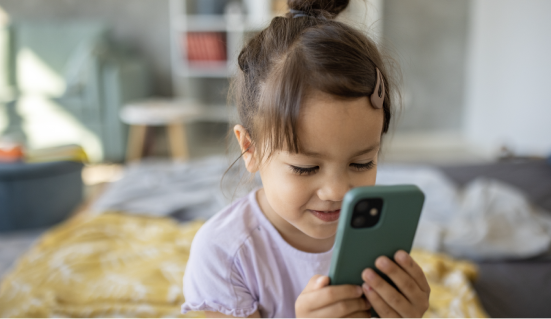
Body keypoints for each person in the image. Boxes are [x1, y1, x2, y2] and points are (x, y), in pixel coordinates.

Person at [181, 0, 431, 318]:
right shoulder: (225, 254)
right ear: (250, 149)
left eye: (362, 163)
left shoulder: (373, 235)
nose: (338, 192)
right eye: (306, 167)